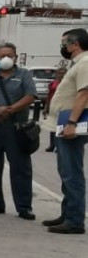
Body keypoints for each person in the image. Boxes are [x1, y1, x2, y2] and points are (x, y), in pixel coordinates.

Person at [0, 43, 36, 220]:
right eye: (1, 55)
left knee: (21, 169)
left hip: (16, 127)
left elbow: (30, 96)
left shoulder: (24, 75)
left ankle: (24, 207)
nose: (5, 58)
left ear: (16, 57)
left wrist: (10, 109)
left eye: (9, 55)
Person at [43, 28, 88, 234]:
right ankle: (67, 213)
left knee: (72, 173)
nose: (63, 47)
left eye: (64, 43)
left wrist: (71, 122)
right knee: (65, 171)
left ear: (75, 44)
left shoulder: (85, 63)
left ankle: (75, 220)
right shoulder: (77, 63)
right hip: (63, 124)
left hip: (71, 124)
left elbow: (84, 95)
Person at [43, 67, 66, 152]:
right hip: (52, 106)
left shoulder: (68, 84)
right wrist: (46, 107)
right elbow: (49, 96)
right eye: (59, 73)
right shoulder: (53, 83)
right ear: (56, 74)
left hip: (63, 107)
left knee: (60, 127)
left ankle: (59, 146)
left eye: (63, 73)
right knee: (52, 127)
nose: (61, 75)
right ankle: (52, 145)